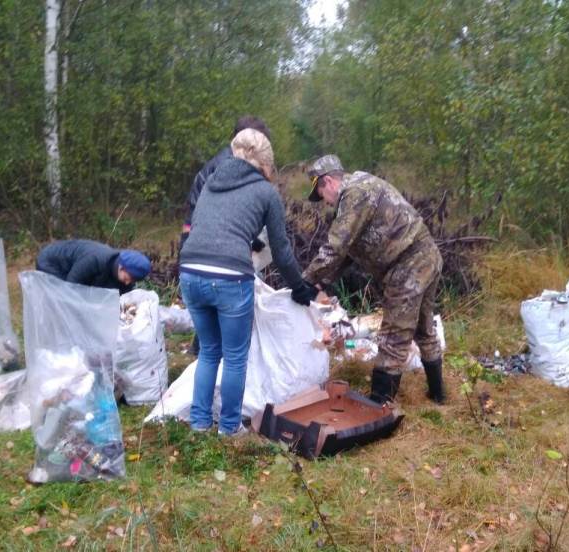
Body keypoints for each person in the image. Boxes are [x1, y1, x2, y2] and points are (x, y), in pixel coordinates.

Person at [179, 128, 316, 436]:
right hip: (229, 277)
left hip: (189, 272)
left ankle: (200, 423)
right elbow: (281, 251)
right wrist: (299, 287)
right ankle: (229, 428)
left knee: (209, 351)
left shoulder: (212, 182)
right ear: (266, 164)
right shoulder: (266, 192)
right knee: (235, 356)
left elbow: (205, 226)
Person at [302, 155, 446, 405]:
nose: (324, 202)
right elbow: (348, 252)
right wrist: (321, 282)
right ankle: (439, 396)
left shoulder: (355, 194)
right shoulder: (359, 189)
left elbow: (336, 246)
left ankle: (379, 405)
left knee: (393, 335)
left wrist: (304, 280)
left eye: (321, 194)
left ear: (327, 181)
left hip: (409, 263)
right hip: (425, 256)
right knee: (424, 329)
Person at [180, 115, 271, 356]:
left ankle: (203, 352)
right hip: (210, 244)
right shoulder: (230, 166)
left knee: (212, 304)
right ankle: (221, 353)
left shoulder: (226, 162)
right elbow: (227, 213)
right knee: (228, 295)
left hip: (199, 244)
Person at [36, 239, 151, 295]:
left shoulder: (128, 273)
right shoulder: (95, 260)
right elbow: (71, 286)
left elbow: (122, 299)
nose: (127, 283)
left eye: (133, 280)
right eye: (127, 278)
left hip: (72, 266)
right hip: (52, 262)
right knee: (61, 297)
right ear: (121, 267)